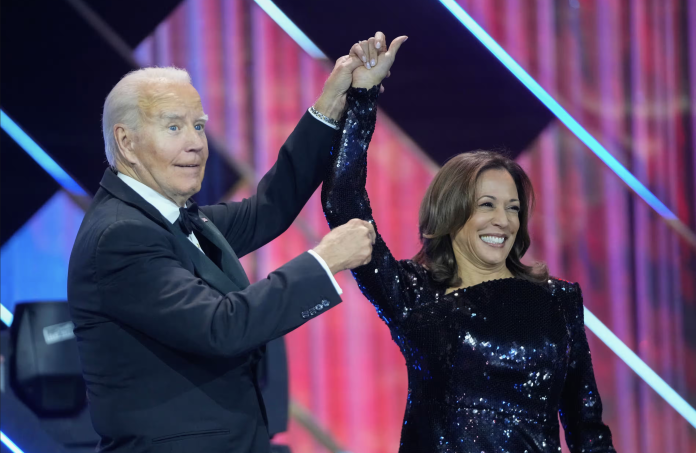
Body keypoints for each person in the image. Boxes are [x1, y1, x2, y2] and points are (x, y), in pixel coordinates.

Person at [67, 36, 383, 453]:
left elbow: (268, 208)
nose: (196, 143)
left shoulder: (170, 217)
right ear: (126, 142)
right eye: (174, 126)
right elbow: (221, 327)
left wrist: (332, 100)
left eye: (198, 125)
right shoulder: (120, 236)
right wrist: (324, 262)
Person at [322, 34, 617, 452]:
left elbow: (588, 431)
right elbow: (343, 203)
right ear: (451, 213)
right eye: (487, 205)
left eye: (513, 208)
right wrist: (364, 98)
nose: (503, 220)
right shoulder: (413, 294)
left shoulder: (558, 301)